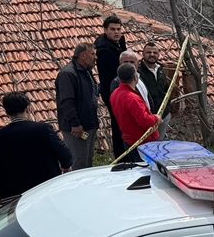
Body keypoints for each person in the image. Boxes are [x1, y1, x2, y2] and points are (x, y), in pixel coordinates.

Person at [0, 92, 73, 204]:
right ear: (28, 109)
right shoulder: (44, 130)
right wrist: (66, 167)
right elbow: (64, 154)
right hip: (45, 190)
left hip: (12, 198)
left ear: (6, 112)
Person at [56, 42, 100, 170]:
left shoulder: (86, 71)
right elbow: (67, 101)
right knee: (78, 164)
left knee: (87, 163)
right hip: (76, 129)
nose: (95, 57)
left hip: (90, 124)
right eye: (92, 54)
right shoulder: (68, 74)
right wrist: (75, 123)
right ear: (83, 56)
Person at [95, 15, 128, 157]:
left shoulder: (119, 42)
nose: (116, 32)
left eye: (118, 29)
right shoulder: (104, 50)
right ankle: (121, 156)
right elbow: (110, 75)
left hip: (120, 88)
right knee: (118, 125)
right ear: (105, 30)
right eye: (112, 29)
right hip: (112, 91)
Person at [111, 63, 161, 149]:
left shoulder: (115, 94)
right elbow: (145, 121)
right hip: (142, 142)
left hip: (129, 140)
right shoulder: (132, 98)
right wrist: (156, 118)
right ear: (135, 77)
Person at [138, 42, 174, 136]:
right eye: (148, 52)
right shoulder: (138, 72)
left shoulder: (161, 70)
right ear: (143, 54)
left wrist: (168, 110)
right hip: (148, 117)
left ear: (158, 54)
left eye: (155, 53)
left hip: (164, 115)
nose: (152, 55)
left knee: (159, 144)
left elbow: (166, 90)